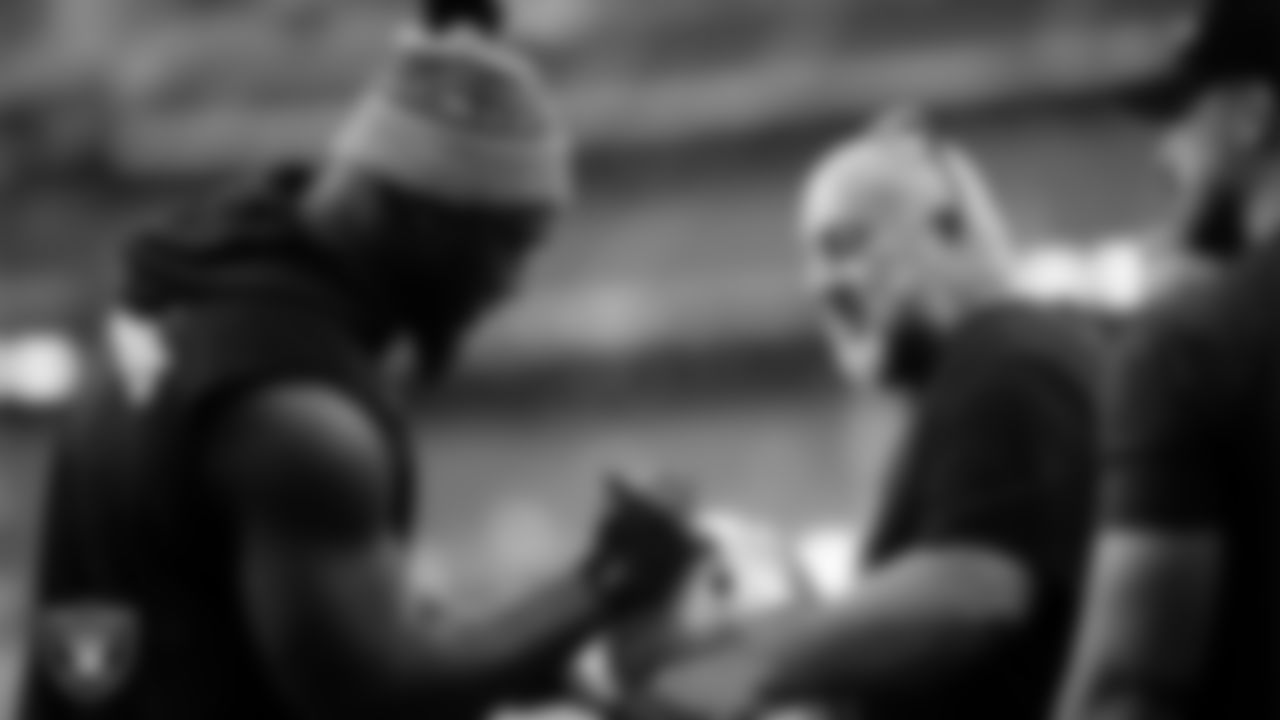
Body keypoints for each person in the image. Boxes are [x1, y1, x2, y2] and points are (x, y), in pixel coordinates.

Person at [16, 4, 704, 720]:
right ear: (405, 216)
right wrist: (609, 582)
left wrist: (558, 625)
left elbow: (296, 613)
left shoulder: (186, 290)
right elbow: (371, 693)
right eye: (503, 245)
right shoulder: (296, 419)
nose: (508, 286)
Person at [599, 113, 1107, 720]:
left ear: (948, 227)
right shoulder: (1019, 360)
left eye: (845, 245)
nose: (820, 286)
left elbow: (972, 592)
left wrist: (717, 675)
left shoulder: (1002, 356)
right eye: (811, 262)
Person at [1051, 1, 1280, 719]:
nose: (1163, 152)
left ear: (1249, 113)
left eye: (1181, 115)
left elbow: (1128, 689)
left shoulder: (1189, 344)